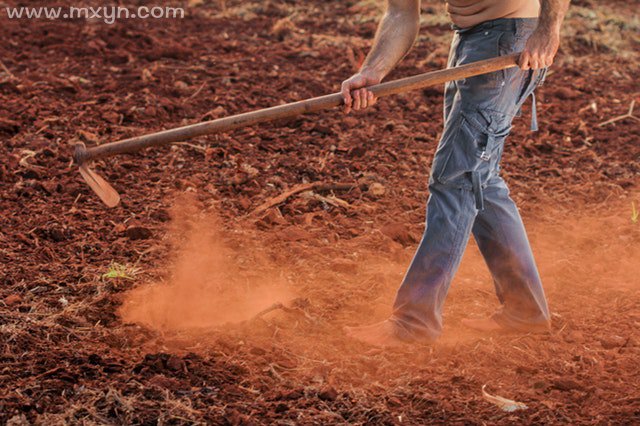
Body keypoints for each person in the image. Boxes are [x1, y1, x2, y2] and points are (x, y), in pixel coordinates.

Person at [342, 0, 570, 346]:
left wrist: (548, 29)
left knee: (457, 179)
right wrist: (373, 71)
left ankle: (413, 322)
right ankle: (526, 310)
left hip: (511, 38)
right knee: (480, 178)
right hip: (471, 39)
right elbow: (401, 13)